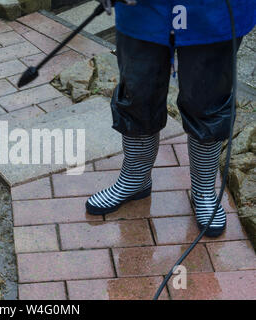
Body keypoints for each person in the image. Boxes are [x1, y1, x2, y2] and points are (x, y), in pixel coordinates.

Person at [85, 0, 255, 237]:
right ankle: (135, 179)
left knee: (208, 100)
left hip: (214, 10)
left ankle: (204, 190)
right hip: (142, 9)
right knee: (137, 92)